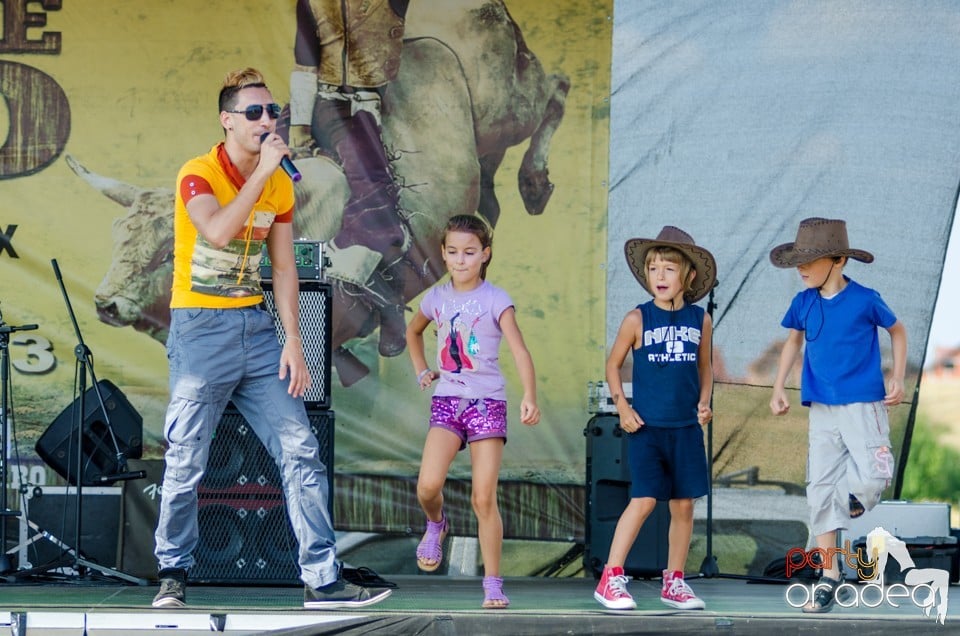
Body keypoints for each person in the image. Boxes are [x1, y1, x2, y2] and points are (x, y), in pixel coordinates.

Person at [151, 67, 391, 611]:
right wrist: (261, 172)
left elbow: (283, 268)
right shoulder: (199, 173)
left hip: (255, 328)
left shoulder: (279, 181)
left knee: (300, 450)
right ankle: (172, 572)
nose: (267, 120)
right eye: (254, 113)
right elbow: (217, 230)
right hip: (200, 329)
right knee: (187, 456)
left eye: (273, 111)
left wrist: (292, 341)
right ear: (227, 120)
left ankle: (322, 578)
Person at [769, 217, 904, 613]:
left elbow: (897, 330)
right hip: (821, 409)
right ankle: (830, 575)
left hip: (863, 403)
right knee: (820, 491)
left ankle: (851, 503)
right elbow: (793, 341)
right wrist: (779, 387)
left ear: (839, 260)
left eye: (810, 259)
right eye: (798, 260)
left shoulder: (865, 299)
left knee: (875, 473)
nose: (801, 267)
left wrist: (896, 376)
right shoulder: (803, 303)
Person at [406, 214, 540, 609]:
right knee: (428, 486)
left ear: (485, 254)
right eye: (452, 252)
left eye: (469, 252)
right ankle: (437, 523)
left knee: (484, 498)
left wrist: (529, 395)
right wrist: (421, 370)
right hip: (448, 400)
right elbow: (413, 331)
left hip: (487, 403)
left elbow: (519, 349)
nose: (460, 260)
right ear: (443, 255)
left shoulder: (496, 299)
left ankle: (493, 582)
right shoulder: (435, 298)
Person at [594, 226, 716, 611]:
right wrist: (623, 408)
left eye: (668, 269)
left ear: (689, 276)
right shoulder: (637, 318)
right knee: (644, 500)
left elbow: (706, 368)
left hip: (685, 430)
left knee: (683, 506)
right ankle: (610, 577)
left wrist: (705, 403)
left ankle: (674, 582)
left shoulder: (701, 320)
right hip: (647, 429)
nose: (659, 276)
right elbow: (613, 366)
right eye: (653, 269)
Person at [290, 0, 411, 358]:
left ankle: (388, 299)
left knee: (369, 179)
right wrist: (298, 127)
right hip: (324, 103)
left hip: (372, 104)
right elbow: (304, 63)